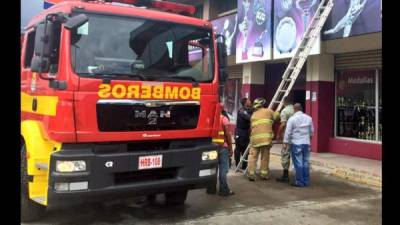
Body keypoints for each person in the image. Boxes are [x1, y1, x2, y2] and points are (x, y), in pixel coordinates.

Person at [247, 98, 279, 181]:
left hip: (254, 140)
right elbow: (277, 117)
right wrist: (278, 111)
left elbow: (251, 128)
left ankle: (251, 174)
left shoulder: (253, 115)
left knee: (252, 157)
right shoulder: (268, 111)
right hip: (266, 140)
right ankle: (264, 174)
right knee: (265, 158)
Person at [283, 103, 314, 187]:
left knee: (298, 163)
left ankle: (299, 182)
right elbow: (311, 132)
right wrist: (308, 140)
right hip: (306, 143)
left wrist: (285, 143)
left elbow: (288, 132)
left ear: (294, 109)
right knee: (306, 162)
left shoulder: (292, 119)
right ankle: (306, 181)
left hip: (296, 143)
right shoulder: (309, 118)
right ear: (301, 109)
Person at [211, 108, 235, 196]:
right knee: (223, 170)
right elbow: (228, 134)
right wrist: (231, 148)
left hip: (211, 148)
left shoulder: (210, 119)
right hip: (222, 147)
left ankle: (211, 189)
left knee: (212, 169)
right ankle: (223, 190)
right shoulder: (223, 119)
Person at [276, 98, 294, 183]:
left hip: (287, 137)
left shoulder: (284, 111)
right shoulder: (296, 110)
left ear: (284, 103)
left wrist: (278, 134)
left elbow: (283, 124)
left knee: (285, 155)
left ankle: (285, 175)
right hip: (297, 137)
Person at [234, 98, 252, 171]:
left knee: (245, 151)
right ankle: (237, 165)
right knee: (238, 150)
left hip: (246, 133)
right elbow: (249, 118)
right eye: (249, 101)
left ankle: (244, 166)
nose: (250, 102)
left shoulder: (248, 110)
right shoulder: (241, 111)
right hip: (240, 133)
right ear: (245, 103)